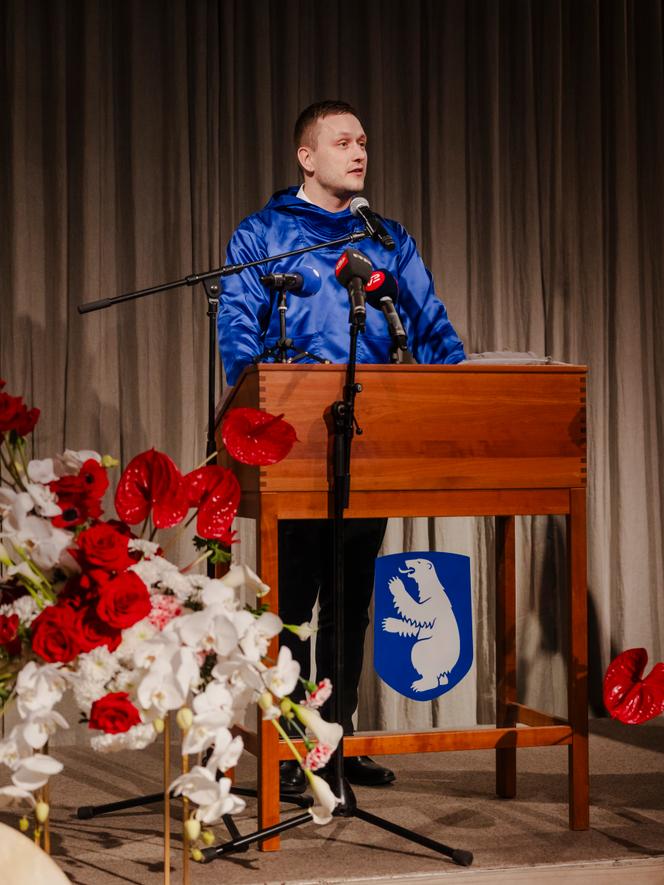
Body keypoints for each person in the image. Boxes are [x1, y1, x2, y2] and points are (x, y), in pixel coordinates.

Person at [218, 100, 466, 792]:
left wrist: (458, 398)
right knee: (294, 600)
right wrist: (256, 406)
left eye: (363, 140)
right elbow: (238, 330)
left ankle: (338, 738)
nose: (359, 151)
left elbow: (434, 328)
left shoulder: (386, 238)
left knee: (354, 597)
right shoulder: (265, 233)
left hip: (372, 438)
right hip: (293, 440)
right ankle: (296, 743)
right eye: (342, 141)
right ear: (307, 156)